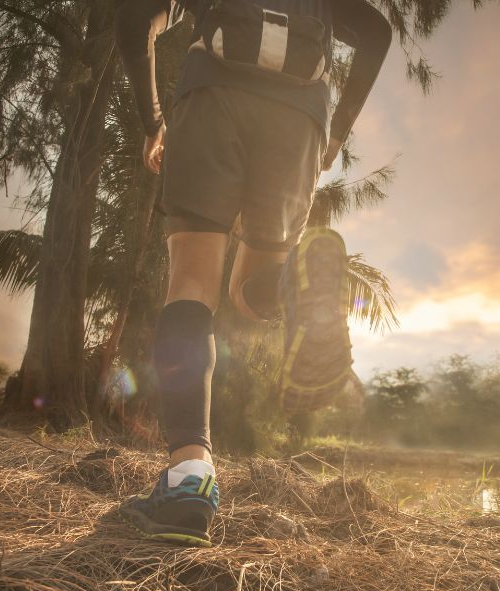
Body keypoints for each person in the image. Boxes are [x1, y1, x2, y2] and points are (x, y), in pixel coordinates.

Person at [115, 0, 392, 546]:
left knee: (193, 281)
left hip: (212, 99)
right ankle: (293, 291)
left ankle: (189, 476)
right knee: (250, 293)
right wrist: (337, 132)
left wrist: (153, 123)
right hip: (299, 120)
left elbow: (135, 18)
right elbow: (377, 33)